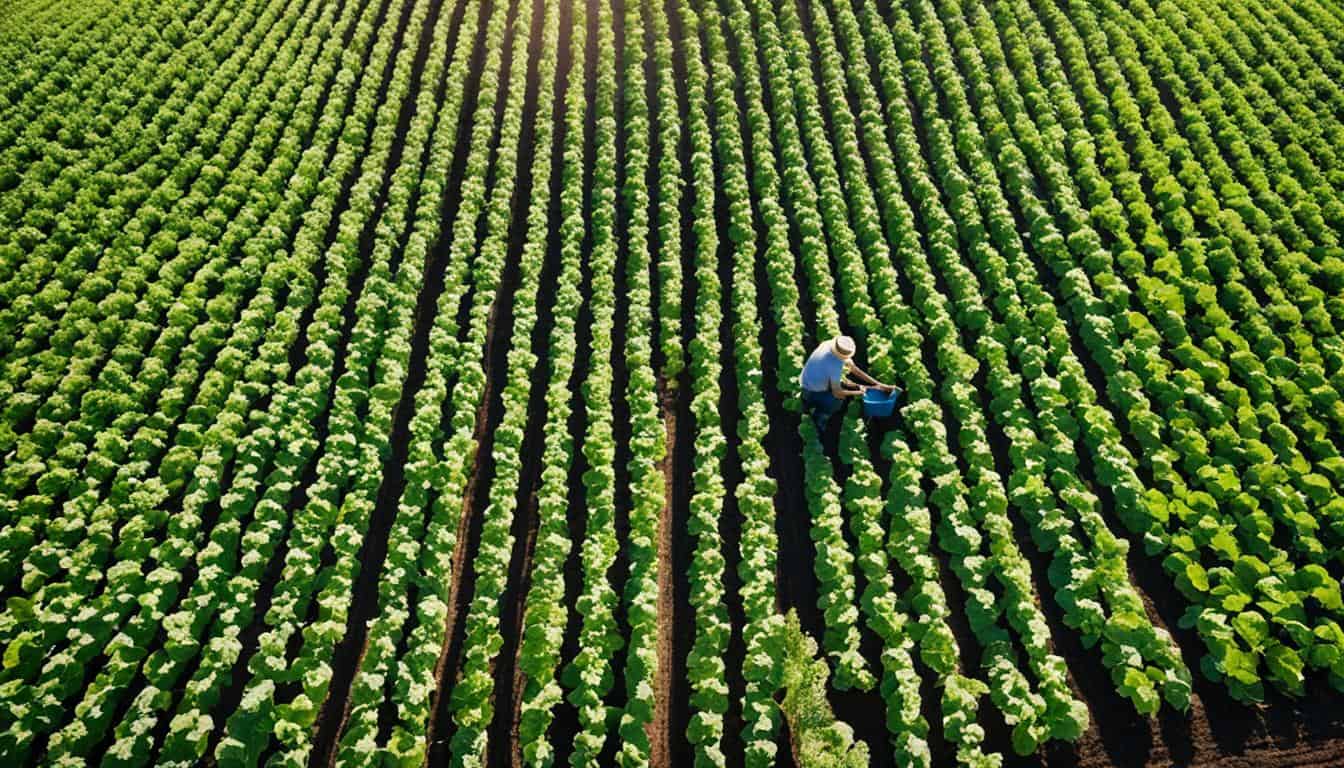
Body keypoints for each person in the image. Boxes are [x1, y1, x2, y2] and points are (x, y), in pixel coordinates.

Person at [799, 335, 894, 430]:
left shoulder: (827, 344)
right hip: (812, 389)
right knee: (837, 400)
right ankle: (820, 417)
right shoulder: (834, 364)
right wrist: (860, 392)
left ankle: (806, 404)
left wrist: (879, 385)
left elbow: (854, 369)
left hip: (807, 378)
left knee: (842, 385)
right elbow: (837, 393)